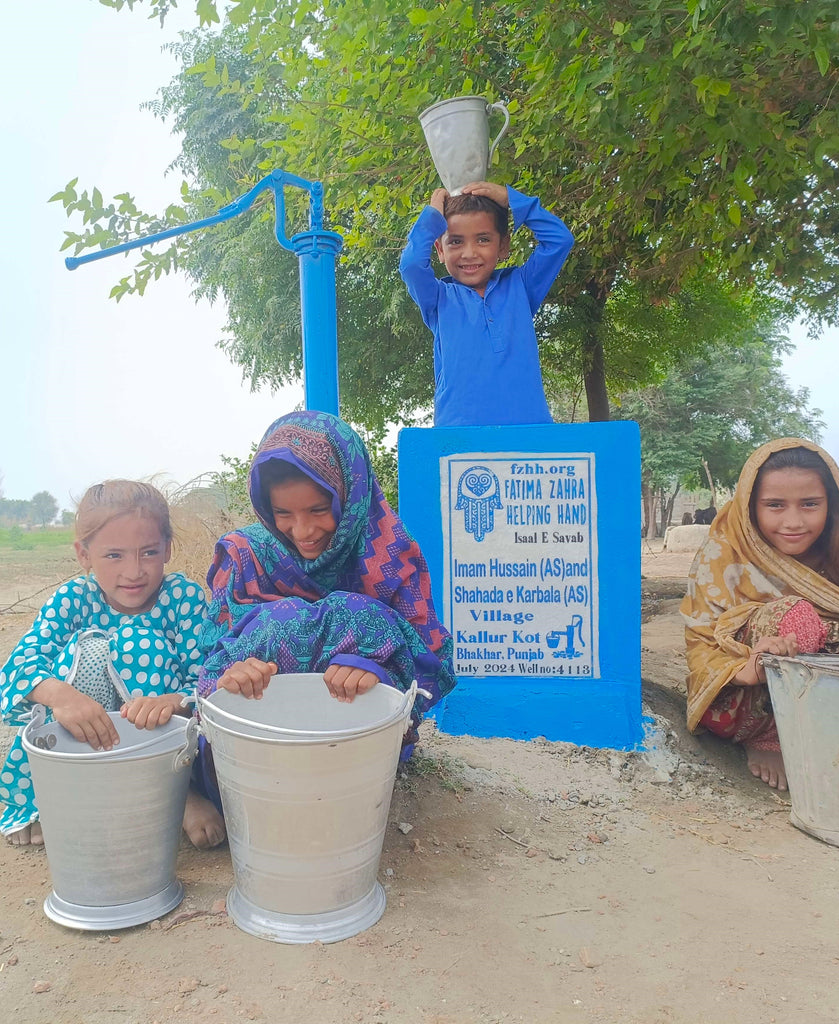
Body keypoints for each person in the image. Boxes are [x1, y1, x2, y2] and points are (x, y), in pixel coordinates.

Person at [196, 411, 456, 795]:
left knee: (358, 613)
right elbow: (211, 665)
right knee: (279, 622)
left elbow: (430, 662)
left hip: (359, 743)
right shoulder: (244, 556)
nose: (303, 531)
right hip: (260, 742)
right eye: (283, 513)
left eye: (319, 510)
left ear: (350, 496)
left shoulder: (390, 555)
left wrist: (377, 672)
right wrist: (237, 672)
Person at [0, 480, 225, 849]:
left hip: (161, 745)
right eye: (114, 556)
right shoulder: (73, 599)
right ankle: (54, 795)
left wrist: (171, 702)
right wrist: (62, 697)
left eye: (148, 552)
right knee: (86, 651)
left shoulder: (182, 598)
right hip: (87, 739)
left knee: (140, 641)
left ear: (168, 549)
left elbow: (206, 677)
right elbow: (19, 665)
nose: (134, 571)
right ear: (84, 554)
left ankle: (176, 791)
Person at [681, 439, 839, 791]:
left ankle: (833, 737)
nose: (793, 521)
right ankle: (772, 739)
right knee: (797, 615)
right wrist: (751, 668)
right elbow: (701, 646)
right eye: (775, 505)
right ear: (750, 505)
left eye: (810, 504)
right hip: (742, 703)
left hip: (823, 703)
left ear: (832, 503)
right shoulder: (724, 552)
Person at [399, 180, 574, 428]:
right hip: (459, 435)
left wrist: (511, 200)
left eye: (482, 239)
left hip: (530, 433)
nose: (469, 253)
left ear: (503, 245)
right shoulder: (438, 298)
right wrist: (432, 217)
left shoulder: (521, 286)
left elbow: (560, 240)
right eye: (455, 242)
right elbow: (411, 265)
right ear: (440, 250)